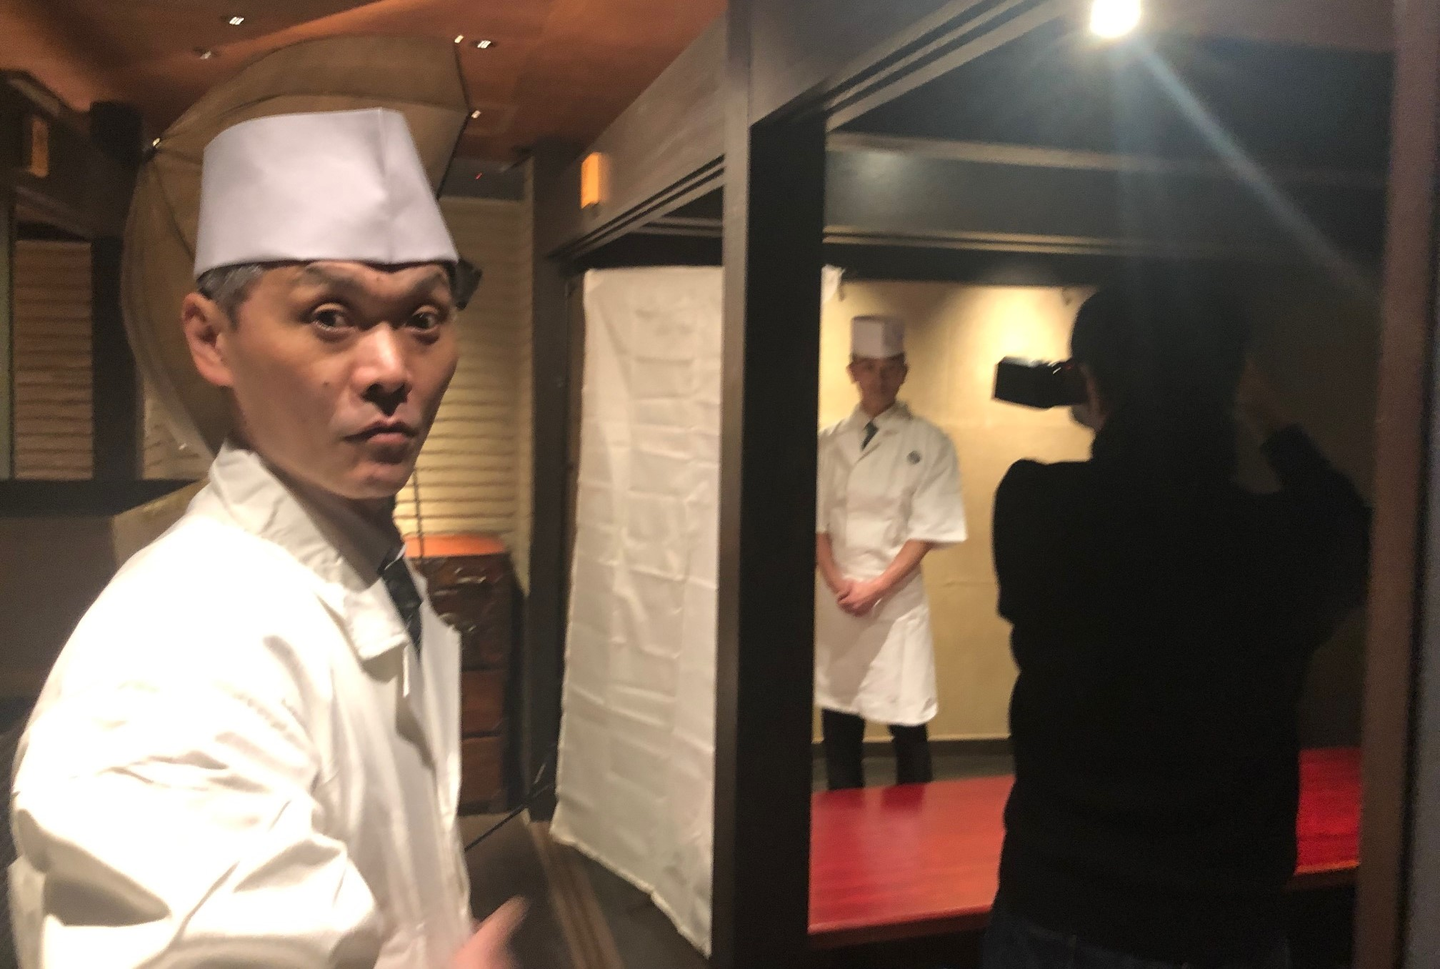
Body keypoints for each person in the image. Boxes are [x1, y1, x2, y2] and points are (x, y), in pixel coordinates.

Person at [8, 109, 521, 969]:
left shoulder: (364, 568)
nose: (392, 368)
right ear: (211, 337)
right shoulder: (174, 662)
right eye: (331, 315)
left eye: (425, 317)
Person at [983, 281, 1370, 969]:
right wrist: (1268, 413)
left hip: (1060, 904)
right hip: (1224, 924)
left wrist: (1112, 413)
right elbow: (1352, 533)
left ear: (1093, 383)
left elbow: (1128, 498)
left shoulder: (1035, 505)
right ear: (1229, 384)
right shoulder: (1282, 542)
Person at [814, 315, 968, 790]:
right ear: (852, 371)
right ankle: (843, 822)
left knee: (908, 725)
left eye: (888, 369)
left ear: (904, 372)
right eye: (867, 367)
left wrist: (878, 587)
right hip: (838, 599)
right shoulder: (825, 441)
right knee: (840, 725)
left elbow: (927, 528)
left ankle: (914, 826)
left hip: (896, 603)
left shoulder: (930, 442)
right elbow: (815, 522)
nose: (878, 379)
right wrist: (839, 583)